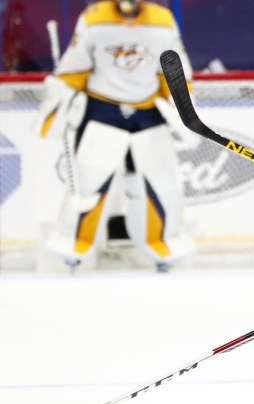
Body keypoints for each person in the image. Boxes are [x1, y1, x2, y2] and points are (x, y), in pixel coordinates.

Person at [35, 0, 195, 272]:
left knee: (160, 184)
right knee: (89, 182)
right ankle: (73, 245)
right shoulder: (94, 18)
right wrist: (60, 95)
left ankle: (162, 247)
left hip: (148, 114)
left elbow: (175, 70)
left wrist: (183, 105)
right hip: (102, 110)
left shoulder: (162, 20)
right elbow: (75, 66)